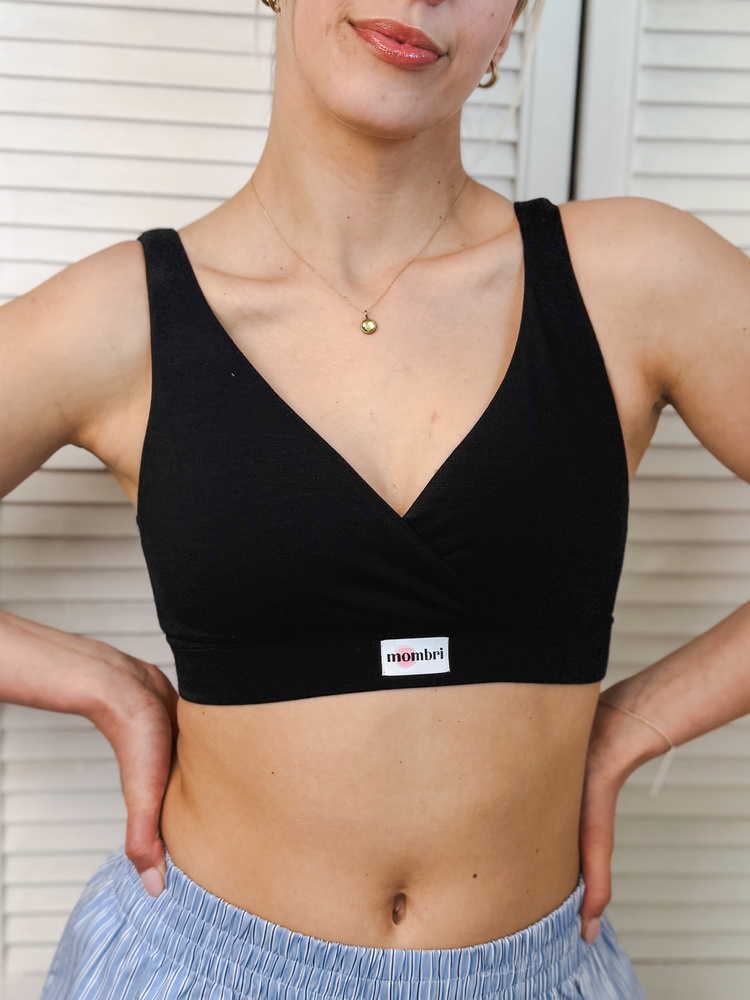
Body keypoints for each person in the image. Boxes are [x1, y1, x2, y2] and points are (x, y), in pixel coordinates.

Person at [1, 0, 749, 997]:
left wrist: (637, 722)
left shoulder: (634, 280)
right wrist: (91, 679)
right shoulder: (121, 317)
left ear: (512, 20)